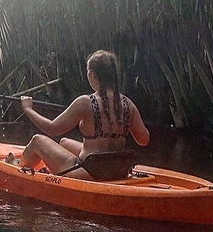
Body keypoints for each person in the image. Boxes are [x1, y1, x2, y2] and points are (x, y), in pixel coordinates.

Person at [18, 50, 150, 179]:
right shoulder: (128, 104)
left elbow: (52, 129)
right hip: (119, 171)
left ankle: (17, 167)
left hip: (89, 172)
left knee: (37, 140)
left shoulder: (85, 102)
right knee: (64, 143)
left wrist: (28, 109)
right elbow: (144, 140)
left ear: (92, 74)